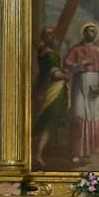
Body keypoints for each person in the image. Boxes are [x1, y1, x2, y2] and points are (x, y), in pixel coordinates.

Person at [65, 23, 99, 163]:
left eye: (93, 31)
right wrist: (81, 64)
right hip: (80, 84)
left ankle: (94, 151)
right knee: (80, 113)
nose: (91, 33)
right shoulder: (76, 49)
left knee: (95, 114)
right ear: (84, 33)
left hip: (95, 84)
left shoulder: (98, 50)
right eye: (88, 31)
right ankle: (78, 151)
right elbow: (68, 66)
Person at [32, 27, 69, 168]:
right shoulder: (49, 54)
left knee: (49, 121)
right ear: (45, 38)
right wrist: (66, 76)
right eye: (50, 34)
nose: (53, 37)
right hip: (53, 89)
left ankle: (43, 152)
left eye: (53, 34)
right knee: (47, 122)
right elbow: (54, 74)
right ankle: (38, 154)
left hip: (49, 88)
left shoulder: (44, 52)